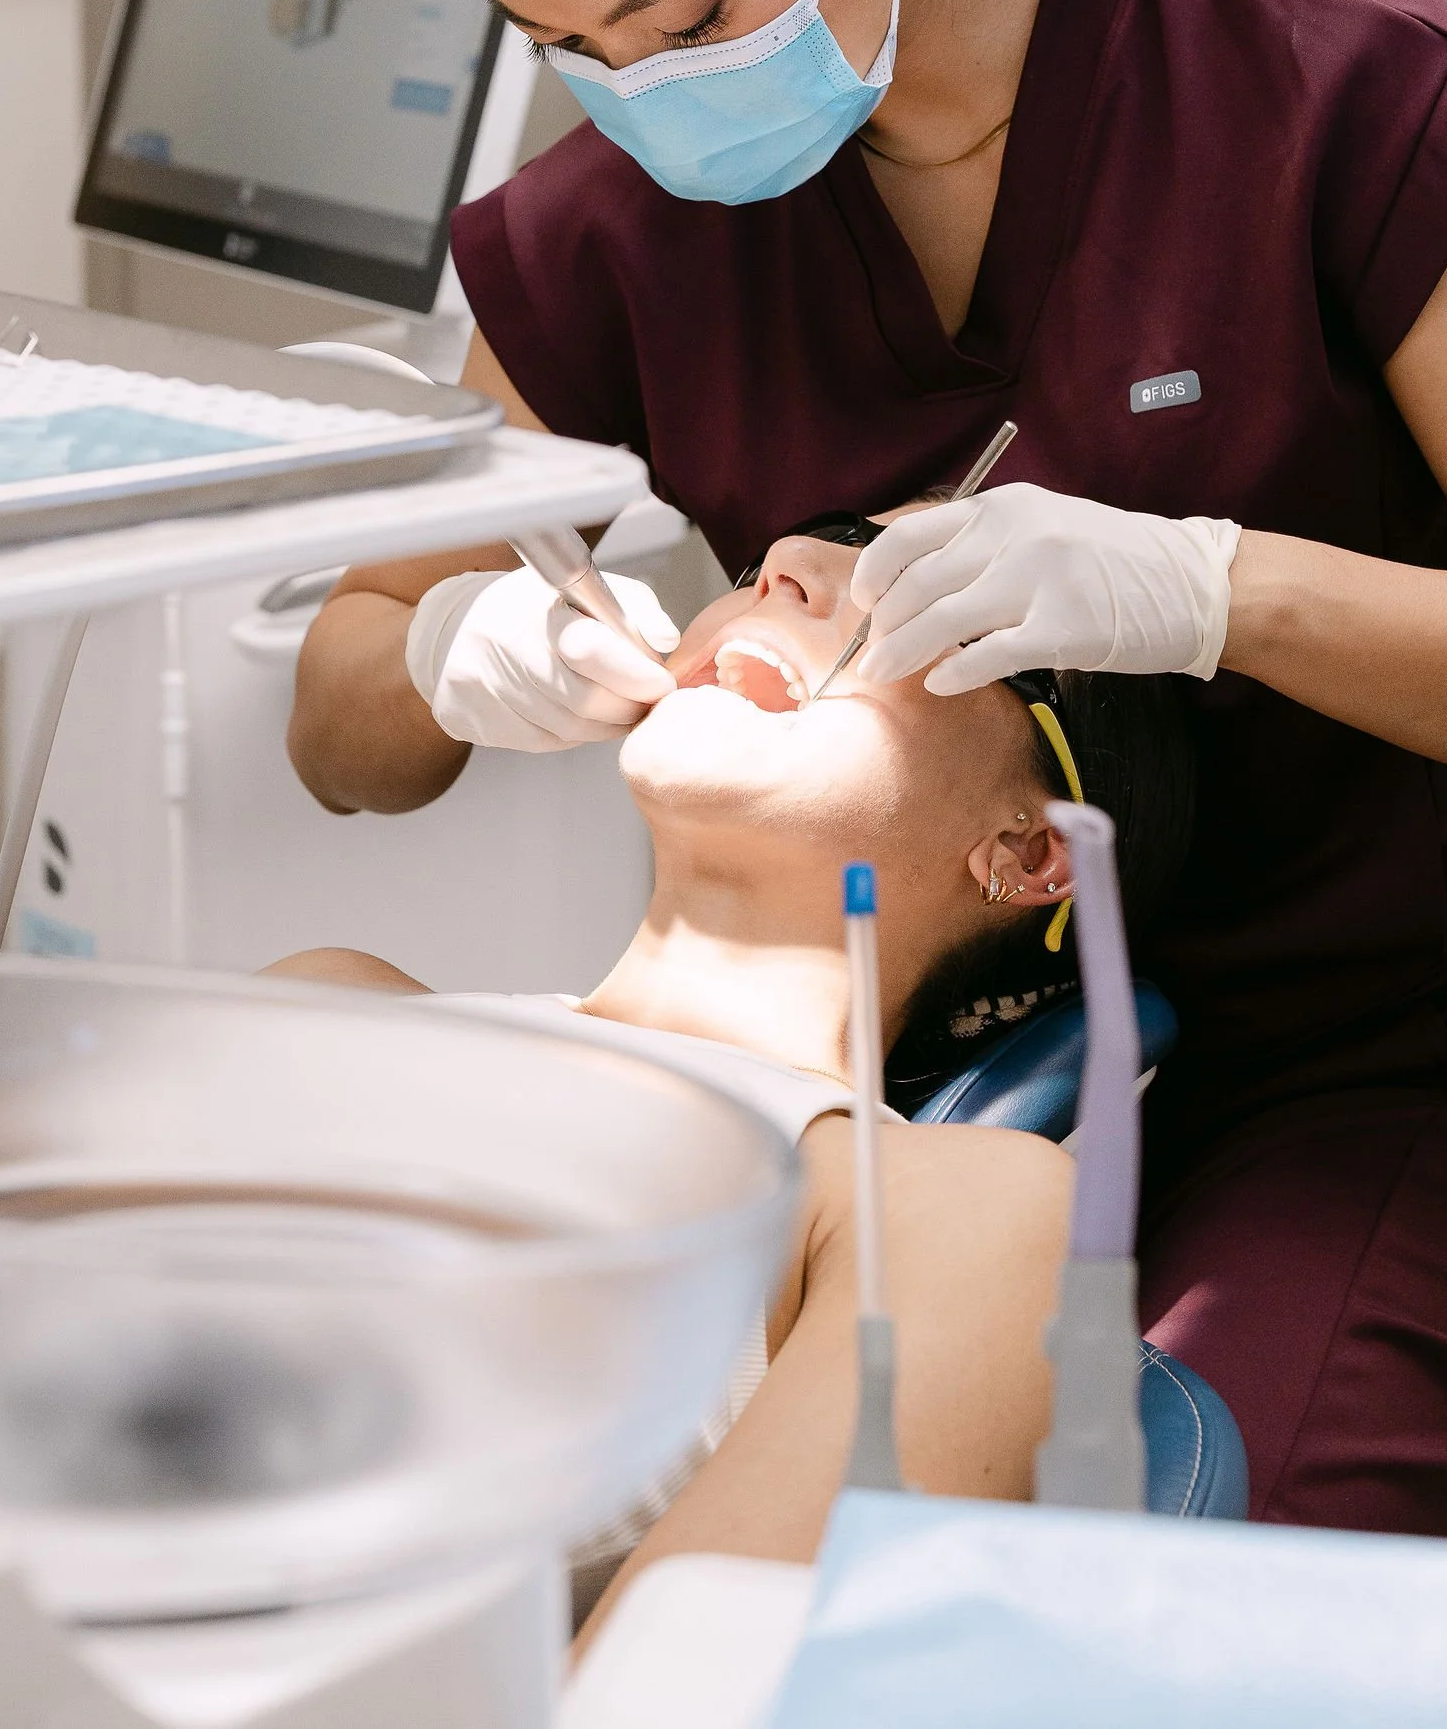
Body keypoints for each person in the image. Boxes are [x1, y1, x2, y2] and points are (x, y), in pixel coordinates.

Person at [290, 0, 1447, 1536]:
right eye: (570, 49)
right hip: (926, 1062)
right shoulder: (637, 205)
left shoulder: (1318, 83)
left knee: (1158, 1591)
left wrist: (1209, 586)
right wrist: (447, 655)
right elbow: (342, 711)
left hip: (1343, 1074)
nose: (638, 93)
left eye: (688, 4)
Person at [274, 511, 1196, 1639]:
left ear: (1030, 851)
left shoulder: (946, 1205)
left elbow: (682, 1687)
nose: (790, 569)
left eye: (924, 590)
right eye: (769, 562)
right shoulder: (330, 1002)